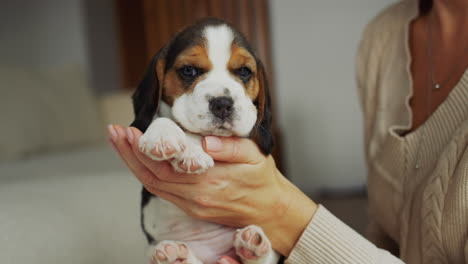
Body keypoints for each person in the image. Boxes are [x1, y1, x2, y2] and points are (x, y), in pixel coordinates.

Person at [108, 0, 468, 262]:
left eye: (243, 73)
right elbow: (385, 235)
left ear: (260, 91)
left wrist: (282, 211)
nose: (221, 98)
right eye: (190, 71)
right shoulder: (383, 37)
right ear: (160, 76)